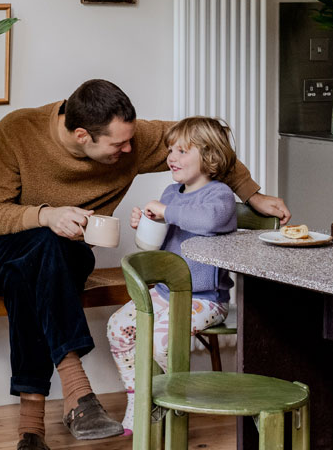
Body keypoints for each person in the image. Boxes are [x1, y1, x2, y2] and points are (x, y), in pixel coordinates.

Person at [0, 80, 289, 450]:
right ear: (83, 135)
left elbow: (206, 146)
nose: (131, 150)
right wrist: (47, 215)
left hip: (62, 257)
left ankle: (32, 430)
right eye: (119, 145)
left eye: (131, 140)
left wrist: (253, 194)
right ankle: (75, 395)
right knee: (38, 256)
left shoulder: (133, 141)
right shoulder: (17, 130)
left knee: (37, 271)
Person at [106, 116, 240, 434]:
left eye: (182, 151)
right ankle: (140, 399)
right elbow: (165, 245)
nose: (171, 158)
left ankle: (165, 404)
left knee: (160, 343)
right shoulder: (170, 192)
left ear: (209, 156)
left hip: (206, 301)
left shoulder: (218, 196)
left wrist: (166, 212)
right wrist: (149, 223)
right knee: (117, 327)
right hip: (168, 292)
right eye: (170, 150)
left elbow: (207, 221)